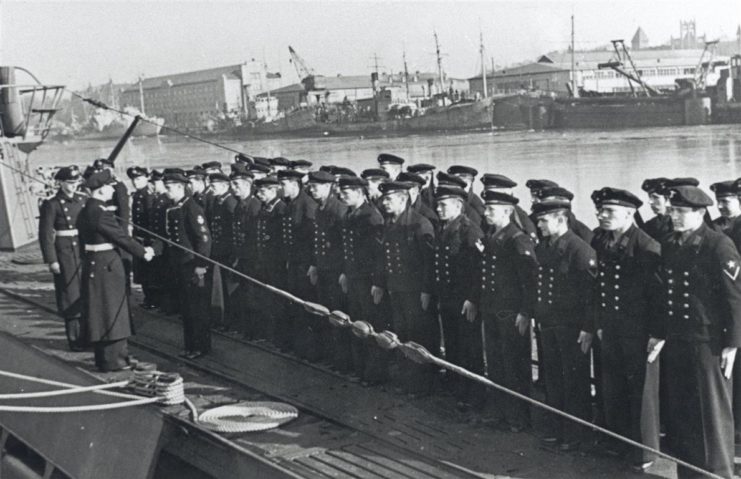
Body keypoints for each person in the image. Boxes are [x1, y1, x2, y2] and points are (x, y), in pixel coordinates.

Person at [660, 185, 741, 479]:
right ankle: (690, 472)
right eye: (672, 211)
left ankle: (719, 473)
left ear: (699, 213)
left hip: (709, 342)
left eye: (680, 212)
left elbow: (734, 297)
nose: (674, 217)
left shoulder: (718, 245)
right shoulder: (671, 243)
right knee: (683, 412)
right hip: (679, 337)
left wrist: (732, 344)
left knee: (712, 414)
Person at [590, 187, 662, 471]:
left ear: (629, 214)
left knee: (641, 391)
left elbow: (657, 297)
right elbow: (599, 287)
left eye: (609, 212)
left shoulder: (646, 247)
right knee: (614, 385)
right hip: (612, 326)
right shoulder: (602, 241)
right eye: (601, 210)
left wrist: (658, 335)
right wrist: (600, 323)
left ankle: (645, 452)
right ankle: (619, 441)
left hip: (639, 331)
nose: (602, 215)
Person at [469, 190, 538, 432]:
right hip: (492, 309)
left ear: (508, 212)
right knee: (496, 364)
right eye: (486, 209)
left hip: (511, 314)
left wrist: (526, 312)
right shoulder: (492, 236)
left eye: (491, 210)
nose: (486, 213)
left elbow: (529, 282)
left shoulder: (517, 240)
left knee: (515, 366)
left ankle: (519, 417)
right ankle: (500, 410)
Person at [532, 200, 596, 451]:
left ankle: (577, 432)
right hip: (549, 323)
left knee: (574, 379)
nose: (539, 225)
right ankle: (558, 426)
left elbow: (590, 295)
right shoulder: (543, 248)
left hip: (571, 327)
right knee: (554, 378)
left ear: (561, 220)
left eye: (544, 220)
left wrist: (588, 328)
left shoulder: (579, 250)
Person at [77, 170, 153, 371]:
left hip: (96, 264)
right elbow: (121, 237)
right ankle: (115, 361)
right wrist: (143, 252)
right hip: (107, 267)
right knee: (112, 313)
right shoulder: (100, 213)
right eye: (110, 186)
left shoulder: (86, 210)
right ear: (102, 190)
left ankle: (112, 358)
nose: (113, 189)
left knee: (101, 313)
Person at [373, 181, 436, 396]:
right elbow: (385, 257)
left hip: (414, 291)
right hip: (397, 288)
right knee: (402, 334)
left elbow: (428, 262)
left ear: (402, 199)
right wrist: (382, 284)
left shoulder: (420, 224)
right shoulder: (391, 223)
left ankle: (421, 384)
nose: (384, 203)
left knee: (417, 336)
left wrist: (426, 291)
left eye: (389, 199)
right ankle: (407, 380)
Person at [430, 186, 483, 403]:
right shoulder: (445, 229)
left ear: (458, 206)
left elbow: (479, 270)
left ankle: (474, 394)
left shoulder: (469, 232)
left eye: (444, 205)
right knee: (453, 345)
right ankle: (456, 387)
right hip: (449, 299)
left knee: (469, 348)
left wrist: (472, 299)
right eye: (438, 204)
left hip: (464, 301)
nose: (438, 209)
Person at [338, 175, 388, 383]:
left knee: (370, 325)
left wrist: (378, 283)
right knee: (357, 323)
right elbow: (348, 250)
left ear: (359, 193)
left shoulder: (371, 217)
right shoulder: (351, 214)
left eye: (346, 193)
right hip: (355, 277)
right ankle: (361, 369)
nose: (342, 196)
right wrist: (345, 272)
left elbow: (378, 255)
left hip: (368, 281)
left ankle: (374, 373)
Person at [163, 172, 212, 359]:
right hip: (180, 265)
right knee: (186, 307)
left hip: (193, 266)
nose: (166, 191)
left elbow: (204, 240)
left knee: (196, 308)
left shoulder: (191, 208)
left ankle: (200, 346)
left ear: (179, 187)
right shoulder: (174, 207)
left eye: (169, 188)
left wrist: (201, 265)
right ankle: (190, 345)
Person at [38, 166, 87, 351]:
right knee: (70, 295)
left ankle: (87, 336)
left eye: (75, 183)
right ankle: (75, 340)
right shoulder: (52, 204)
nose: (73, 187)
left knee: (86, 295)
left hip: (83, 251)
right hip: (65, 254)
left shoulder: (82, 200)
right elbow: (45, 235)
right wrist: (52, 260)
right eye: (69, 183)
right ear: (60, 183)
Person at [307, 170, 349, 367]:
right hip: (324, 268)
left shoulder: (338, 209)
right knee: (325, 311)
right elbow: (318, 241)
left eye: (315, 187)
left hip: (336, 270)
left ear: (327, 187)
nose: (311, 190)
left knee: (338, 314)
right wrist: (315, 264)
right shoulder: (320, 209)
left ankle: (342, 358)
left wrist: (344, 272)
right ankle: (332, 355)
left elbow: (344, 245)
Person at [278, 168, 318, 356]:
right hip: (294, 262)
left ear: (294, 185)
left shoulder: (307, 205)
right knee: (294, 302)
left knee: (305, 305)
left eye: (283, 184)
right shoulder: (291, 204)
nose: (280, 187)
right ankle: (298, 346)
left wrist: (312, 264)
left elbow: (311, 239)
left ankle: (309, 349)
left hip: (304, 264)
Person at [253, 176, 288, 342]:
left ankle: (280, 337)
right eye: (259, 191)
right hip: (265, 261)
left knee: (278, 300)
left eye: (263, 191)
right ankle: (271, 335)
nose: (259, 194)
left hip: (276, 263)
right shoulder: (265, 208)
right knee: (267, 298)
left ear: (273, 190)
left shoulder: (280, 209)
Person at [229, 165, 261, 338]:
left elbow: (255, 236)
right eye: (233, 186)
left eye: (237, 186)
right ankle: (247, 328)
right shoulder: (239, 206)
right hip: (242, 257)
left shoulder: (254, 206)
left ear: (248, 185)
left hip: (253, 259)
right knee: (244, 293)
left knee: (253, 295)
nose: (234, 189)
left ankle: (255, 331)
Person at [206, 172, 238, 332]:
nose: (211, 189)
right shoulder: (218, 201)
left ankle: (231, 322)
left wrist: (233, 254)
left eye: (214, 186)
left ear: (225, 186)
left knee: (229, 287)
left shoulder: (229, 203)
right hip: (219, 251)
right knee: (222, 287)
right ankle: (224, 319)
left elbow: (233, 231)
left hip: (228, 253)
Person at [128, 166, 156, 309]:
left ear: (146, 178)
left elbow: (151, 219)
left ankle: (153, 299)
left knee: (150, 270)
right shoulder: (137, 195)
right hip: (139, 236)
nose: (135, 182)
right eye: (133, 179)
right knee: (143, 271)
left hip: (147, 237)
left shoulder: (148, 195)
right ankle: (148, 298)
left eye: (138, 179)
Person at [480, 173, 537, 240]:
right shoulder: (488, 212)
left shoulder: (518, 215)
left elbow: (530, 240)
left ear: (505, 193)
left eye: (494, 194)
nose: (489, 196)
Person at [640, 178, 673, 242]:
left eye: (655, 197)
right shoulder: (649, 225)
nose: (650, 202)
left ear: (667, 199)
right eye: (650, 197)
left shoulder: (677, 222)